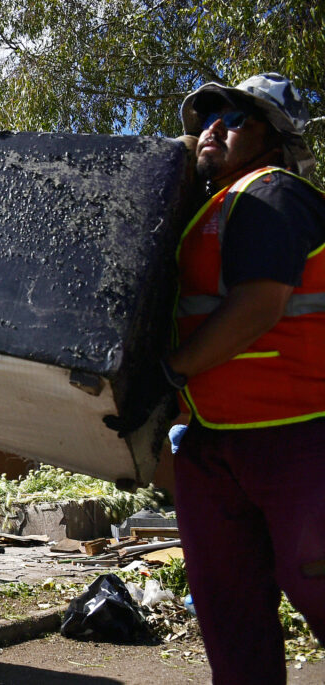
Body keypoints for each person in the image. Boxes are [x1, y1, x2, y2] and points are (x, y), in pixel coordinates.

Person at [105, 73, 325, 684]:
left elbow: (259, 305)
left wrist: (168, 374)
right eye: (208, 117)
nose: (213, 127)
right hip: (215, 444)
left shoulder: (271, 194)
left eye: (235, 119)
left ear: (274, 140)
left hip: (299, 440)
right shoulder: (208, 210)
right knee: (231, 620)